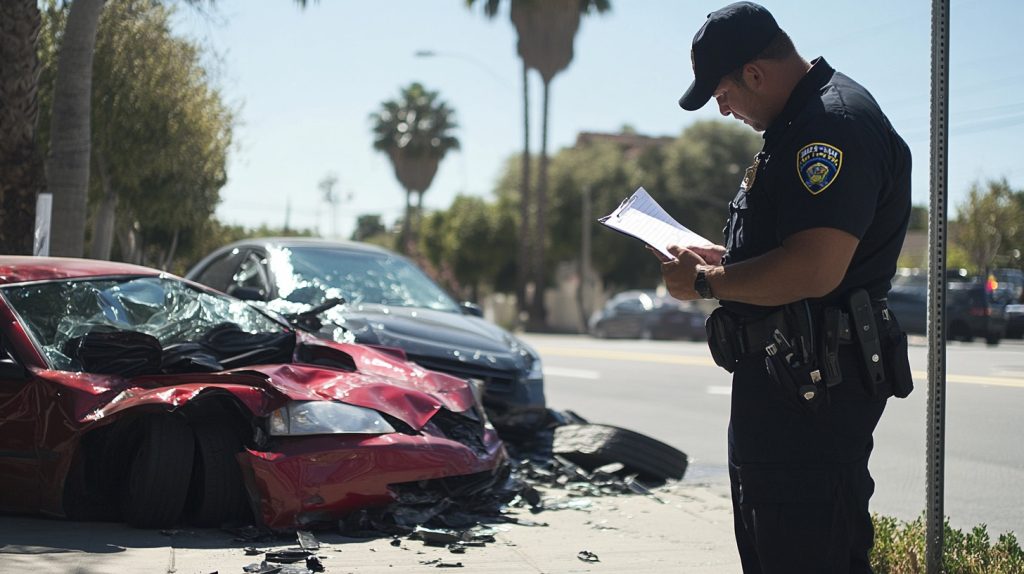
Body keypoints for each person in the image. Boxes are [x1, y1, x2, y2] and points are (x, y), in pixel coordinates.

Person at [659, 2, 913, 573]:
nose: (723, 110)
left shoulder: (831, 124)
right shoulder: (797, 125)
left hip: (813, 398)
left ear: (755, 73)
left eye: (722, 94)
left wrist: (704, 281)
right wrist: (725, 261)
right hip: (786, 390)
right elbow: (792, 255)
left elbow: (814, 270)